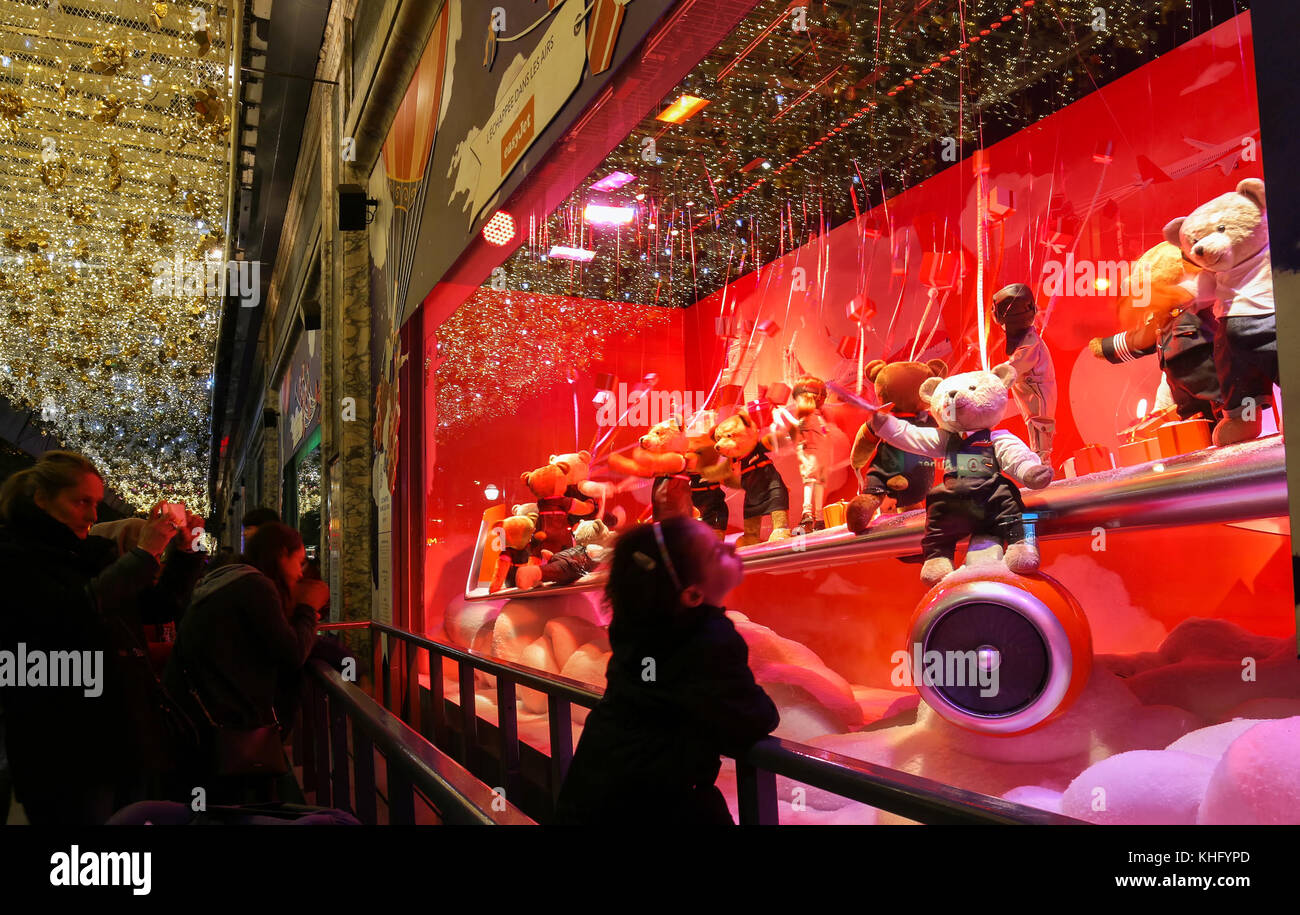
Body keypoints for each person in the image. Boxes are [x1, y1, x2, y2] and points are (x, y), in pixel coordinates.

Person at [554, 517, 779, 824]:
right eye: (715, 552)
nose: (729, 546)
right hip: (657, 801)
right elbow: (756, 716)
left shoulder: (635, 630)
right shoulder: (709, 638)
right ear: (692, 595)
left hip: (595, 784)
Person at [0, 451, 182, 824]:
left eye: (96, 503)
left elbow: (158, 606)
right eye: (82, 501)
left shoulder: (88, 556)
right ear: (41, 499)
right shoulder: (14, 558)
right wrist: (145, 553)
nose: (93, 516)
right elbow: (73, 614)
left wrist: (189, 545)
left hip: (122, 738)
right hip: (63, 747)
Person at [163, 522, 326, 804]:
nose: (301, 572)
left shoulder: (227, 578)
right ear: (281, 555)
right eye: (299, 562)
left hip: (196, 721)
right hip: (227, 729)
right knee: (236, 805)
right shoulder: (255, 585)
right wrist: (308, 609)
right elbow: (292, 653)